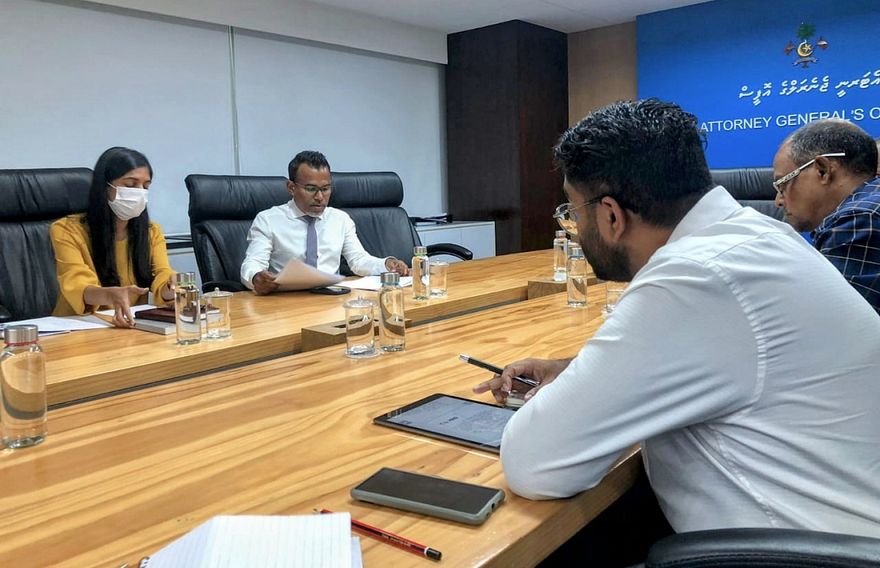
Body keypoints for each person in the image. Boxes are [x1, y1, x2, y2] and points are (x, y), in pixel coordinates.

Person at [474, 100, 880, 538]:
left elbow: (535, 464)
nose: (575, 226)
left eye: (573, 212)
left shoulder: (695, 276)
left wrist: (576, 392)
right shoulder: (758, 237)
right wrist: (578, 371)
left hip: (796, 548)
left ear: (610, 215)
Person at [240, 151, 410, 294]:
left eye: (325, 188)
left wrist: (386, 264)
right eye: (311, 189)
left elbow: (358, 260)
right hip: (286, 300)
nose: (320, 197)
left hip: (331, 297)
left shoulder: (340, 219)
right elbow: (253, 263)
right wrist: (256, 278)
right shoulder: (268, 220)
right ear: (291, 187)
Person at [51, 147, 175, 328]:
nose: (140, 192)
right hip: (75, 326)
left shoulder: (151, 231)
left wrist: (171, 288)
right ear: (105, 186)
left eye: (146, 186)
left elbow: (162, 273)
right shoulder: (67, 230)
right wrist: (110, 295)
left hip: (129, 325)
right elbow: (76, 284)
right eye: (130, 185)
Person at [772, 119, 880, 313]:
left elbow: (831, 323)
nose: (778, 201)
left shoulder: (859, 219)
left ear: (822, 170)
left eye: (782, 184)